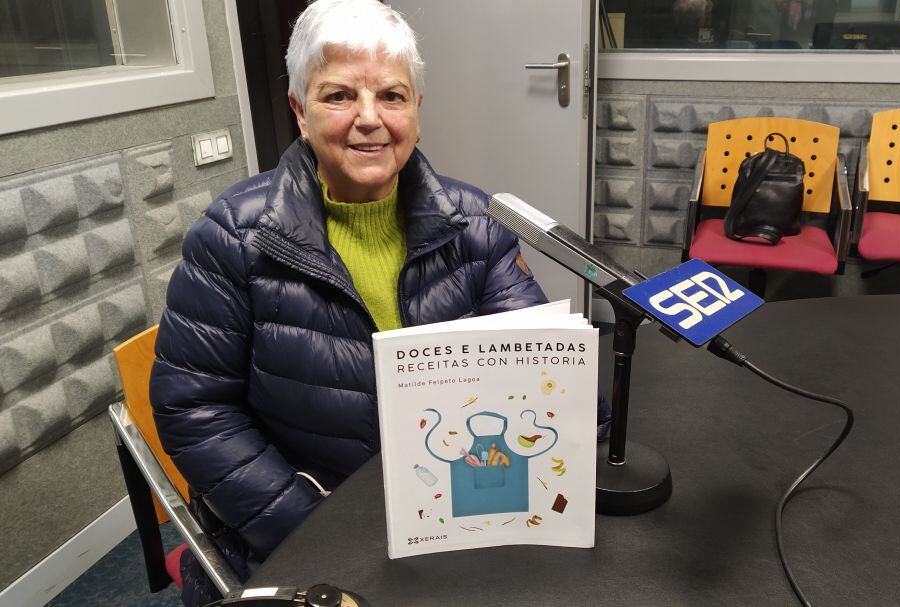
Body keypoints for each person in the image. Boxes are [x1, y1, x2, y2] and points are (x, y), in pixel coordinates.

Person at [148, 1, 609, 605]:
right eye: (339, 96)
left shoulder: (475, 224)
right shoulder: (233, 237)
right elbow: (194, 408)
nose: (370, 119)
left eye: (391, 96)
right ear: (299, 112)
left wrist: (573, 427)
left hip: (455, 514)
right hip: (302, 532)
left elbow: (543, 371)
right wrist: (319, 528)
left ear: (417, 110)